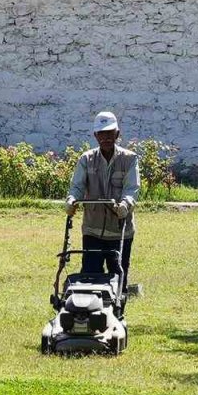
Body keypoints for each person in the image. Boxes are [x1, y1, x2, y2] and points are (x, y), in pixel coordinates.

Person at [65, 111, 141, 279]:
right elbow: (77, 186)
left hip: (120, 230)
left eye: (109, 133)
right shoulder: (86, 159)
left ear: (117, 134)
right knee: (90, 276)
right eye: (102, 133)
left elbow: (131, 188)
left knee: (119, 278)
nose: (106, 137)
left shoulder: (129, 159)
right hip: (92, 230)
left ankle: (120, 296)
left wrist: (125, 205)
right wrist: (71, 200)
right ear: (95, 135)